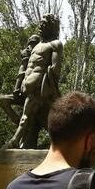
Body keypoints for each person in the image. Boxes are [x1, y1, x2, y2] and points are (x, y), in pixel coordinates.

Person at [6, 14, 64, 149]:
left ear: (50, 27)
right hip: (26, 85)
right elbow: (26, 63)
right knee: (5, 101)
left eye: (43, 24)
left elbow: (55, 69)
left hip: (38, 85)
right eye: (40, 24)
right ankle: (21, 131)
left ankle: (14, 141)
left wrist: (47, 87)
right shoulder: (37, 44)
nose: (40, 27)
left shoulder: (55, 44)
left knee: (26, 115)